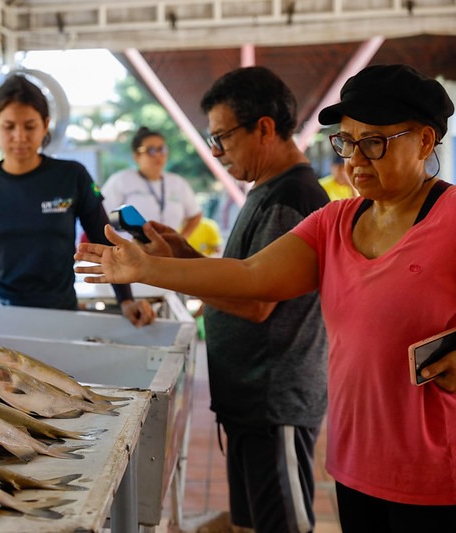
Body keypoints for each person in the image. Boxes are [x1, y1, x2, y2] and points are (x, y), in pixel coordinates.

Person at [76, 63, 456, 532]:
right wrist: (149, 268)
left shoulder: (450, 219)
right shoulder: (334, 222)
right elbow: (252, 275)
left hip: (438, 470)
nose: (355, 159)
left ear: (424, 141)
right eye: (346, 141)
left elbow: (255, 304)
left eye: (374, 142)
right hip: (357, 461)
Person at [92, 66, 332, 533]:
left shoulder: (293, 197)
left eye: (222, 138)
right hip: (251, 398)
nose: (217, 152)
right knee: (251, 523)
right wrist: (182, 255)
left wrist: (155, 271)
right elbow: (242, 276)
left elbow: (257, 300)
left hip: (274, 400)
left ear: (264, 128)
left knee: (282, 525)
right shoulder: (267, 190)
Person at [0, 73, 154, 327]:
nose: (19, 136)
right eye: (9, 126)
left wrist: (126, 301)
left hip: (59, 314)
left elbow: (104, 240)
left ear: (45, 125)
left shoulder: (72, 176)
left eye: (29, 126)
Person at [101, 126, 202, 239]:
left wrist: (180, 240)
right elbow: (103, 217)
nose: (158, 155)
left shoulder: (178, 183)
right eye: (151, 150)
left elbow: (195, 215)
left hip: (167, 249)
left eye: (162, 149)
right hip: (131, 248)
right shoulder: (121, 180)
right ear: (136, 156)